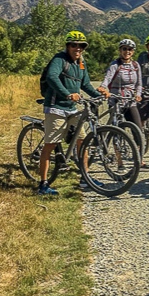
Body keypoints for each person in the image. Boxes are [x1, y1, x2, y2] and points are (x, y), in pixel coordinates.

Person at [37, 31, 104, 195]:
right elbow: (52, 77)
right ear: (68, 46)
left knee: (82, 141)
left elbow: (86, 84)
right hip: (56, 107)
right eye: (74, 45)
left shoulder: (81, 63)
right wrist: (67, 94)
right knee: (50, 145)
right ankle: (43, 185)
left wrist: (99, 95)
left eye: (81, 46)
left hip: (72, 108)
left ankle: (85, 178)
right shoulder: (59, 59)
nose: (77, 48)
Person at [97, 38, 146, 167]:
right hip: (116, 101)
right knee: (117, 130)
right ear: (120, 50)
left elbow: (139, 84)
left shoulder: (136, 66)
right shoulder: (115, 65)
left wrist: (139, 95)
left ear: (133, 51)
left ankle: (139, 160)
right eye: (124, 49)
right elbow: (107, 78)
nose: (127, 51)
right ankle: (119, 161)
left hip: (130, 101)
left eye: (130, 49)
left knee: (138, 130)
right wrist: (103, 88)